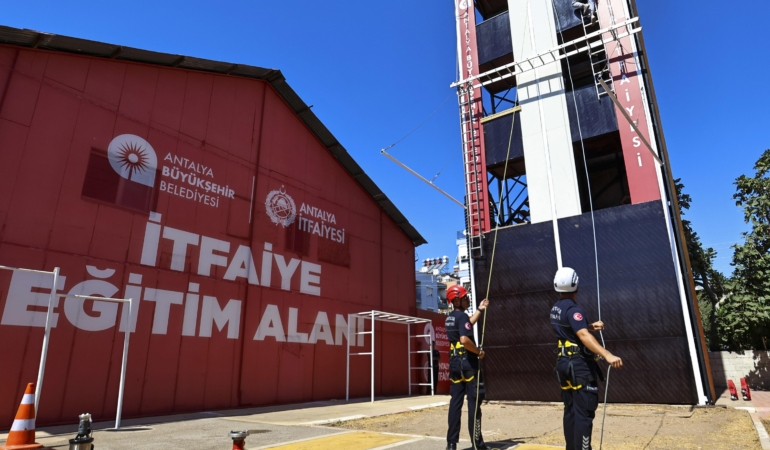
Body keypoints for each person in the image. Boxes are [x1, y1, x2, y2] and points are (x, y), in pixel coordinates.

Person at [550, 267, 623, 450]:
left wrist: (590, 326)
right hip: (579, 366)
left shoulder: (556, 308)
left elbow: (570, 330)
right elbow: (581, 335)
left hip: (563, 364)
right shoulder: (574, 309)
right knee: (584, 412)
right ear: (576, 285)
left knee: (571, 411)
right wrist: (607, 355)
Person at [445, 285, 489, 450]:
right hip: (468, 364)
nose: (467, 299)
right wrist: (478, 352)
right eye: (465, 298)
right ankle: (477, 444)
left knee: (455, 404)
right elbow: (464, 339)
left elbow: (467, 323)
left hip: (455, 365)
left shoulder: (450, 317)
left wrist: (479, 309)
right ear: (457, 300)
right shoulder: (461, 316)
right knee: (474, 404)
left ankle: (451, 444)